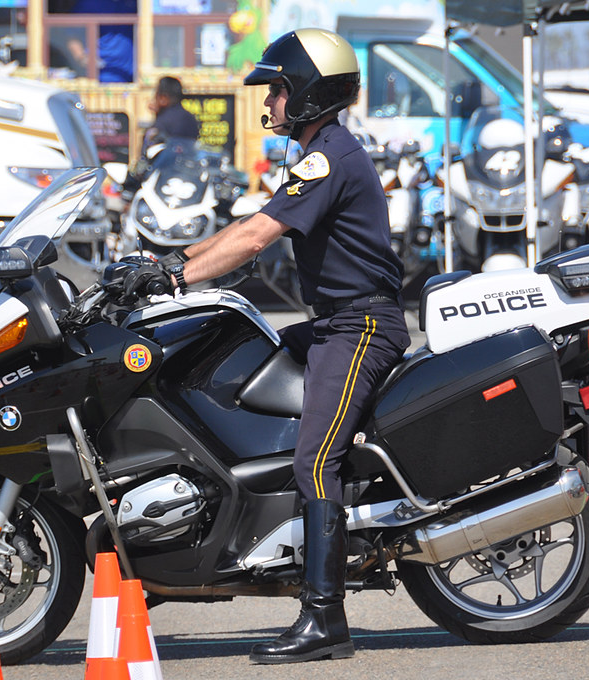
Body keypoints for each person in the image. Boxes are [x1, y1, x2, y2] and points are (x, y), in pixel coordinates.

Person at [121, 28, 410, 665]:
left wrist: (173, 276)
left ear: (308, 92)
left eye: (278, 88)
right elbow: (247, 228)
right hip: (334, 321)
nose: (270, 100)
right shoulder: (317, 152)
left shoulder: (328, 157)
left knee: (316, 457)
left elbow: (256, 238)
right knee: (234, 366)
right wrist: (161, 261)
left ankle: (324, 619)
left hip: (360, 328)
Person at [141, 76, 199, 153]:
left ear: (163, 98)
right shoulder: (190, 118)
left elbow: (150, 153)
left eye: (156, 96)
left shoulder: (163, 121)